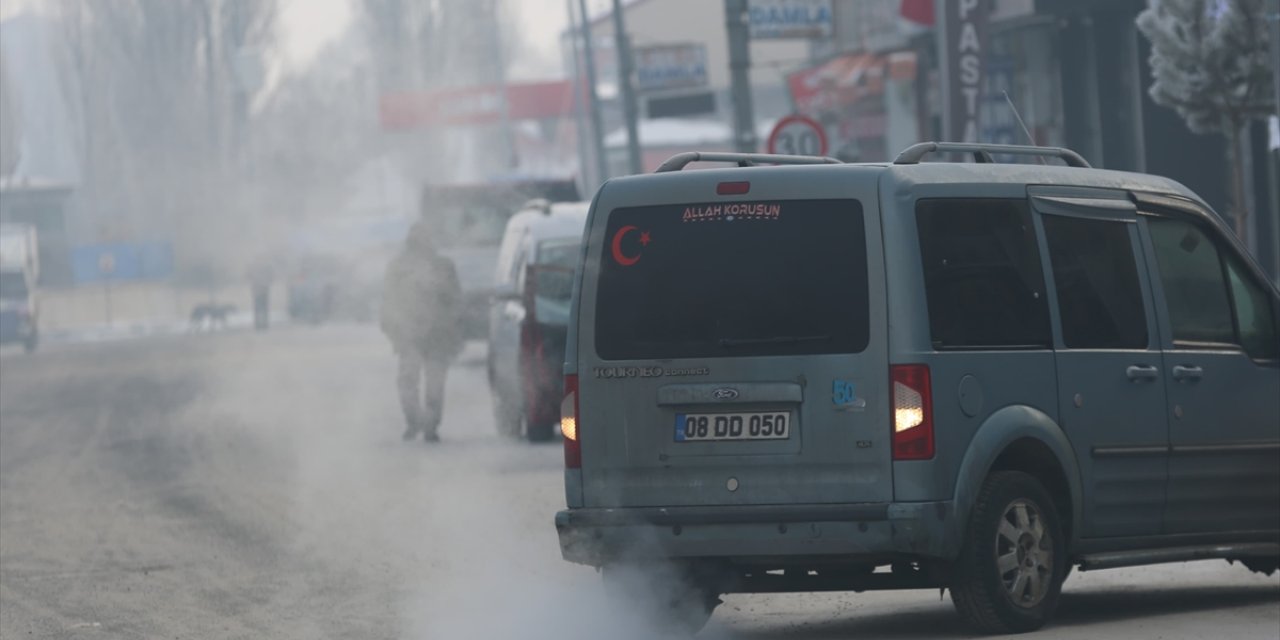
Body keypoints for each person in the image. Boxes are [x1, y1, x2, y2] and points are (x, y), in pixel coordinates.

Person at [380, 221, 464, 442]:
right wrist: (393, 330)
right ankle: (416, 422)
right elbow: (388, 301)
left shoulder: (443, 267)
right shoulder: (398, 267)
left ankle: (429, 425)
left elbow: (455, 300)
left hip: (437, 334)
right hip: (409, 334)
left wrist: (452, 327)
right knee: (410, 382)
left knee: (433, 384)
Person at [248, 259, 274, 331]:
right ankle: (262, 324)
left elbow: (248, 277)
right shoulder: (265, 269)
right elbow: (271, 278)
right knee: (262, 309)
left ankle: (260, 325)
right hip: (261, 291)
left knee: (260, 309)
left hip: (259, 291)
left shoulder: (255, 269)